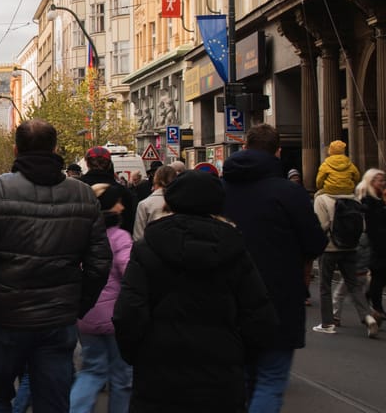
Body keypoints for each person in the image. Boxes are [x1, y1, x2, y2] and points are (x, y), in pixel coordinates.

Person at [0, 119, 111, 412]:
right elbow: (99, 263)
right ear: (55, 148)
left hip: (7, 315)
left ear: (17, 149)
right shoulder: (82, 194)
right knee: (53, 400)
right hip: (58, 318)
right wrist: (77, 305)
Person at [113, 171, 276, 413]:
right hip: (220, 373)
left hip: (158, 371)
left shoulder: (148, 248)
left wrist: (138, 355)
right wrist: (237, 354)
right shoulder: (235, 249)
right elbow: (260, 318)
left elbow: (128, 313)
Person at [222, 123, 327, 413]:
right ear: (278, 152)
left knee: (239, 380)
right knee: (270, 378)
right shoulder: (289, 192)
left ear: (244, 147)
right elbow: (315, 242)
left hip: (228, 297)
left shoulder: (220, 189)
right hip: (278, 296)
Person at [69, 183, 133, 413]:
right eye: (118, 201)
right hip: (116, 315)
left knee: (91, 370)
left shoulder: (81, 233)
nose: (122, 205)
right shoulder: (120, 237)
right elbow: (129, 271)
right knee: (122, 376)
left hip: (86, 312)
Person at [313, 163, 379, 337]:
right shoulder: (353, 198)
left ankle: (327, 323)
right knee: (354, 285)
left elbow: (321, 226)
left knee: (325, 286)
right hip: (351, 247)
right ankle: (368, 317)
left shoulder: (322, 198)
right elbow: (362, 225)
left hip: (329, 247)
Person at [81, 146, 136, 234]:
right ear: (110, 165)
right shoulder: (123, 191)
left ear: (87, 164)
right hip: (117, 243)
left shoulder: (77, 187)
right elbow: (129, 222)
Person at [361, 168, 386, 321]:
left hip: (382, 243)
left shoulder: (380, 199)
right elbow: (374, 226)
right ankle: (377, 307)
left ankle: (370, 297)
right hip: (375, 245)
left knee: (381, 277)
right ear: (371, 182)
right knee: (378, 275)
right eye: (380, 180)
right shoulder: (368, 200)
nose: (383, 183)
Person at [132, 165, 177, 241]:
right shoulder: (180, 201)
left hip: (151, 248)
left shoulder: (145, 204)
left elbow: (138, 237)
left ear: (155, 179)